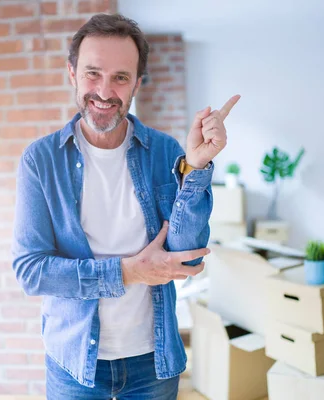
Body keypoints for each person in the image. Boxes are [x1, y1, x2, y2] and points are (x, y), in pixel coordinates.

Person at [12, 13, 240, 400]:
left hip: (153, 359)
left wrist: (197, 167)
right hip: (74, 364)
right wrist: (128, 272)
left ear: (137, 82)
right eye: (92, 73)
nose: (104, 91)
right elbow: (31, 271)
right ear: (72, 73)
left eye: (120, 77)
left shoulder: (167, 152)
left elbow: (184, 255)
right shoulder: (42, 160)